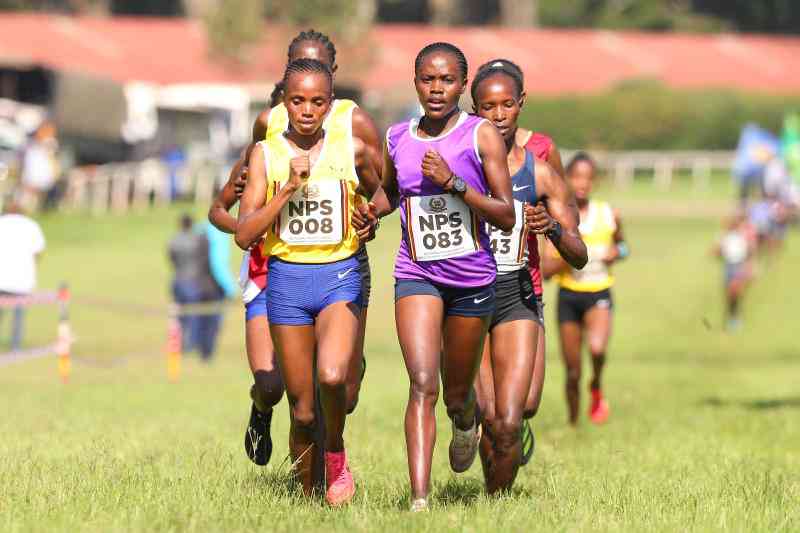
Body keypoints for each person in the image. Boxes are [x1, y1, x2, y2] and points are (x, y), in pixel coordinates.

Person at [221, 30, 382, 468]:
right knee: (290, 394)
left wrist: (370, 216)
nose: (307, 104)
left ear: (332, 79)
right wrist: (261, 215)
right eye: (296, 68)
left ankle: (332, 449)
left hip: (343, 265)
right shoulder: (268, 125)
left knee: (341, 391)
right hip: (279, 268)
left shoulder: (355, 125)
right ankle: (308, 478)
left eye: (319, 76)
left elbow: (385, 189)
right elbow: (233, 203)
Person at [376, 42, 515, 510]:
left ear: (462, 84)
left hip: (471, 280)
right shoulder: (397, 136)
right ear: (415, 81)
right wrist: (366, 213)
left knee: (457, 393)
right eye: (427, 79)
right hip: (415, 272)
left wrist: (454, 183)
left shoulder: (481, 136)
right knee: (421, 382)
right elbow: (389, 194)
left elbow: (505, 214)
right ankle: (419, 500)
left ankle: (464, 418)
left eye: (447, 80)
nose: (436, 89)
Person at [470, 59, 587, 492]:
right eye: (488, 106)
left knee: (524, 408)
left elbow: (573, 232)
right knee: (494, 416)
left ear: (520, 104)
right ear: (474, 107)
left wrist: (549, 226)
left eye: (506, 105)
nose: (498, 114)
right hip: (468, 292)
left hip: (522, 288)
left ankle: (503, 444)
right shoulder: (461, 155)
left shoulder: (539, 156)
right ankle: (494, 498)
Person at [542, 152, 628, 426]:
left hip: (599, 291)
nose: (582, 183)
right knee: (572, 371)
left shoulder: (608, 213)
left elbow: (624, 247)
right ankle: (573, 422)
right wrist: (569, 260)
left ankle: (597, 385)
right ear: (566, 179)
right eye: (576, 177)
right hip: (569, 295)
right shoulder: (557, 214)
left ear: (594, 182)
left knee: (597, 349)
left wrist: (617, 252)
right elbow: (544, 269)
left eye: (588, 178)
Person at [167, 214, 225, 361]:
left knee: (179, 316)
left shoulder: (174, 240)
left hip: (177, 281)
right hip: (193, 283)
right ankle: (191, 345)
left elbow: (171, 258)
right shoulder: (198, 240)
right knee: (194, 316)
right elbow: (205, 261)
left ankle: (181, 345)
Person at [0, 202, 45, 351]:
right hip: (22, 279)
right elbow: (38, 252)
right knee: (18, 315)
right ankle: (15, 346)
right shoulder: (31, 225)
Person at [714, 213, 756, 331]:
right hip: (728, 266)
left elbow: (750, 251)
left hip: (739, 266)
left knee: (734, 291)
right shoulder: (725, 236)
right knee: (729, 295)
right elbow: (717, 252)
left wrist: (749, 267)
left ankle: (734, 319)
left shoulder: (743, 236)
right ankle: (732, 317)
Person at [18, 121, 59, 212]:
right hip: (32, 172)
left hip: (41, 173)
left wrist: (54, 172)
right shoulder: (30, 143)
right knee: (28, 194)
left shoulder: (50, 143)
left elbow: (52, 160)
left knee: (36, 195)